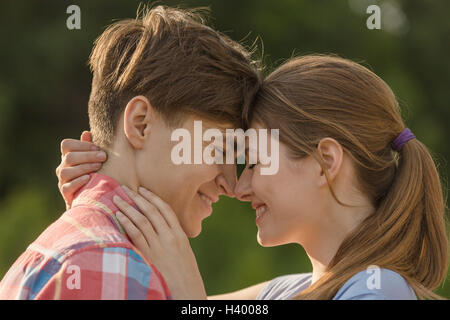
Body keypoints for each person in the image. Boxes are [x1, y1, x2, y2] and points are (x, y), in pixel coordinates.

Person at [58, 55, 449, 300]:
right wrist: (103, 195)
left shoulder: (379, 291)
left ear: (324, 161)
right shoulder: (286, 292)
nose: (240, 188)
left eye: (257, 162)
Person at [0, 5, 260, 299]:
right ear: (141, 124)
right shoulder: (115, 268)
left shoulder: (69, 251)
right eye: (219, 149)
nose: (231, 184)